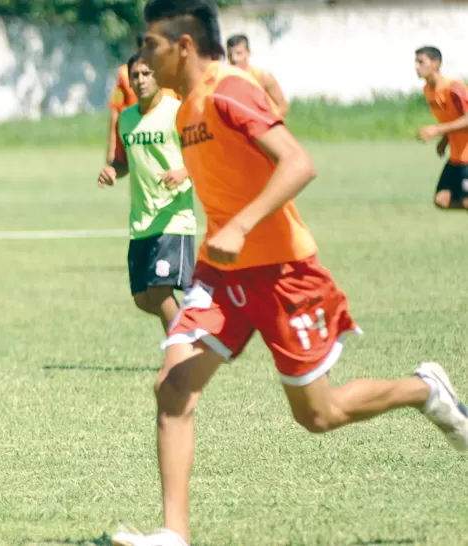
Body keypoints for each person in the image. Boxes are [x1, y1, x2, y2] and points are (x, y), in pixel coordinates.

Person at [111, 2, 468, 545]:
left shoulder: (231, 88)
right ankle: (172, 535)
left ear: (183, 45)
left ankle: (424, 390)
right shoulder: (184, 110)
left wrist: (243, 224)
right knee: (174, 388)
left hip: (284, 274)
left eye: (151, 44)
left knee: (318, 415)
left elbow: (298, 162)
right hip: (223, 275)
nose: (142, 56)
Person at [97, 52, 196, 333]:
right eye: (135, 76)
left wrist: (183, 172)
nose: (140, 81)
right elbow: (122, 161)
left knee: (159, 290)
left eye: (146, 74)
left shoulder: (177, 111)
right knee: (142, 298)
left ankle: (181, 355)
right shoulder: (126, 120)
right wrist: (113, 171)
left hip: (173, 217)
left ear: (158, 77)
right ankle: (194, 327)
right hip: (141, 222)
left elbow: (203, 153)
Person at [107, 32, 181, 164]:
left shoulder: (171, 70)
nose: (141, 80)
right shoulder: (125, 74)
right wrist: (112, 150)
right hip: (137, 128)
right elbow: (116, 110)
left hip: (168, 129)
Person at [414, 46, 468, 210]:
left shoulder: (453, 87)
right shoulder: (428, 90)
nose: (416, 66)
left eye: (421, 62)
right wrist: (445, 139)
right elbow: (453, 118)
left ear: (436, 63)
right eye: (415, 62)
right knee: (441, 200)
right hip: (456, 156)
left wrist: (438, 130)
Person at [225, 34, 289, 118]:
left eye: (239, 53)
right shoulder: (225, 79)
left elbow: (283, 107)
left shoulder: (263, 77)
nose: (234, 59)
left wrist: (264, 123)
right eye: (230, 54)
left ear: (249, 53)